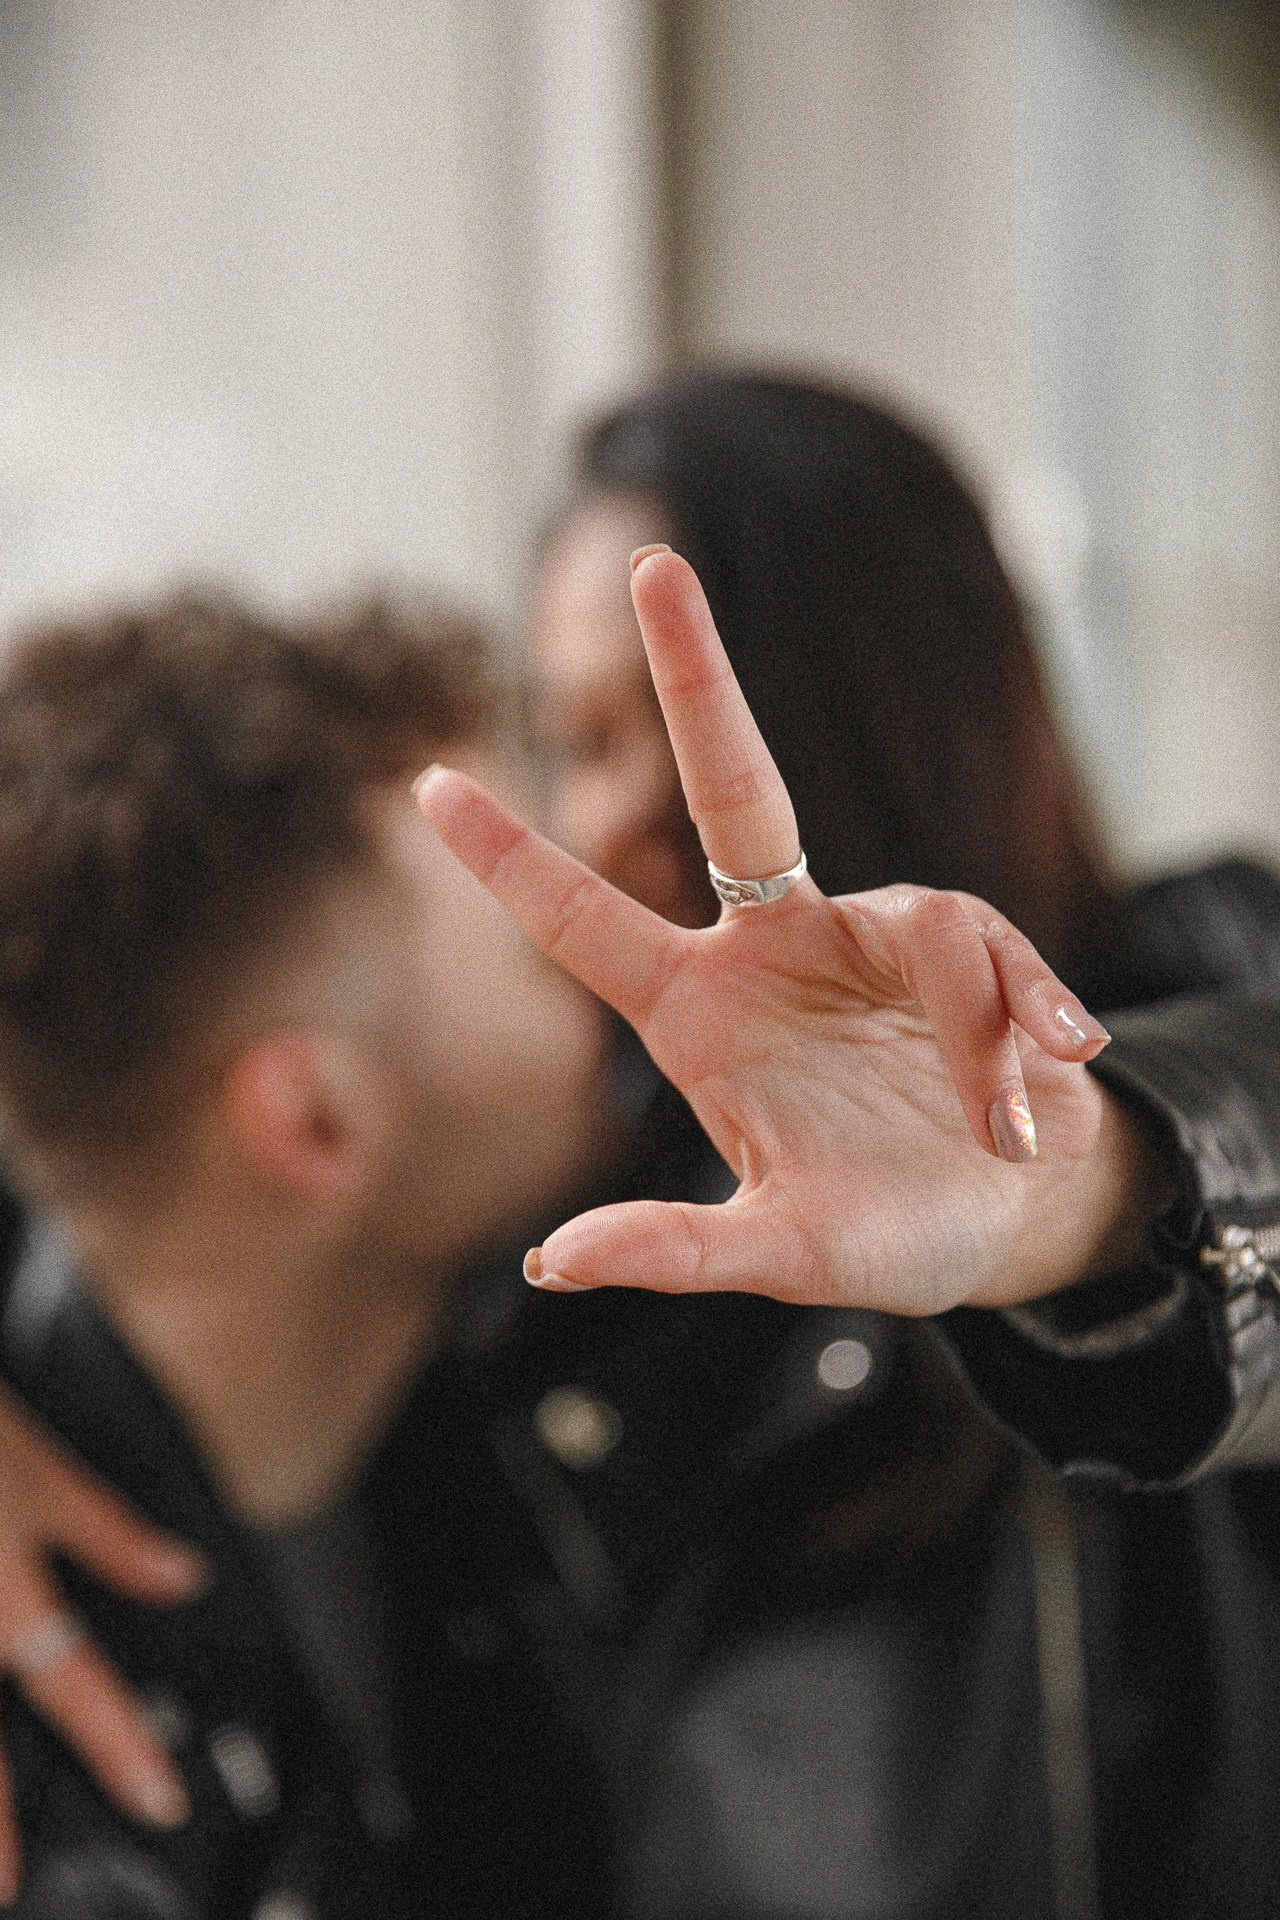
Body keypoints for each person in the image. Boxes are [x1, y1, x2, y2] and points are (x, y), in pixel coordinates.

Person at [1, 375, 1280, 1916]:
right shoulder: (552, 1252)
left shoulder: (1198, 980)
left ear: (850, 728)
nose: (591, 838)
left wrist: (1080, 1185)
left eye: (652, 732)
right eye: (569, 744)